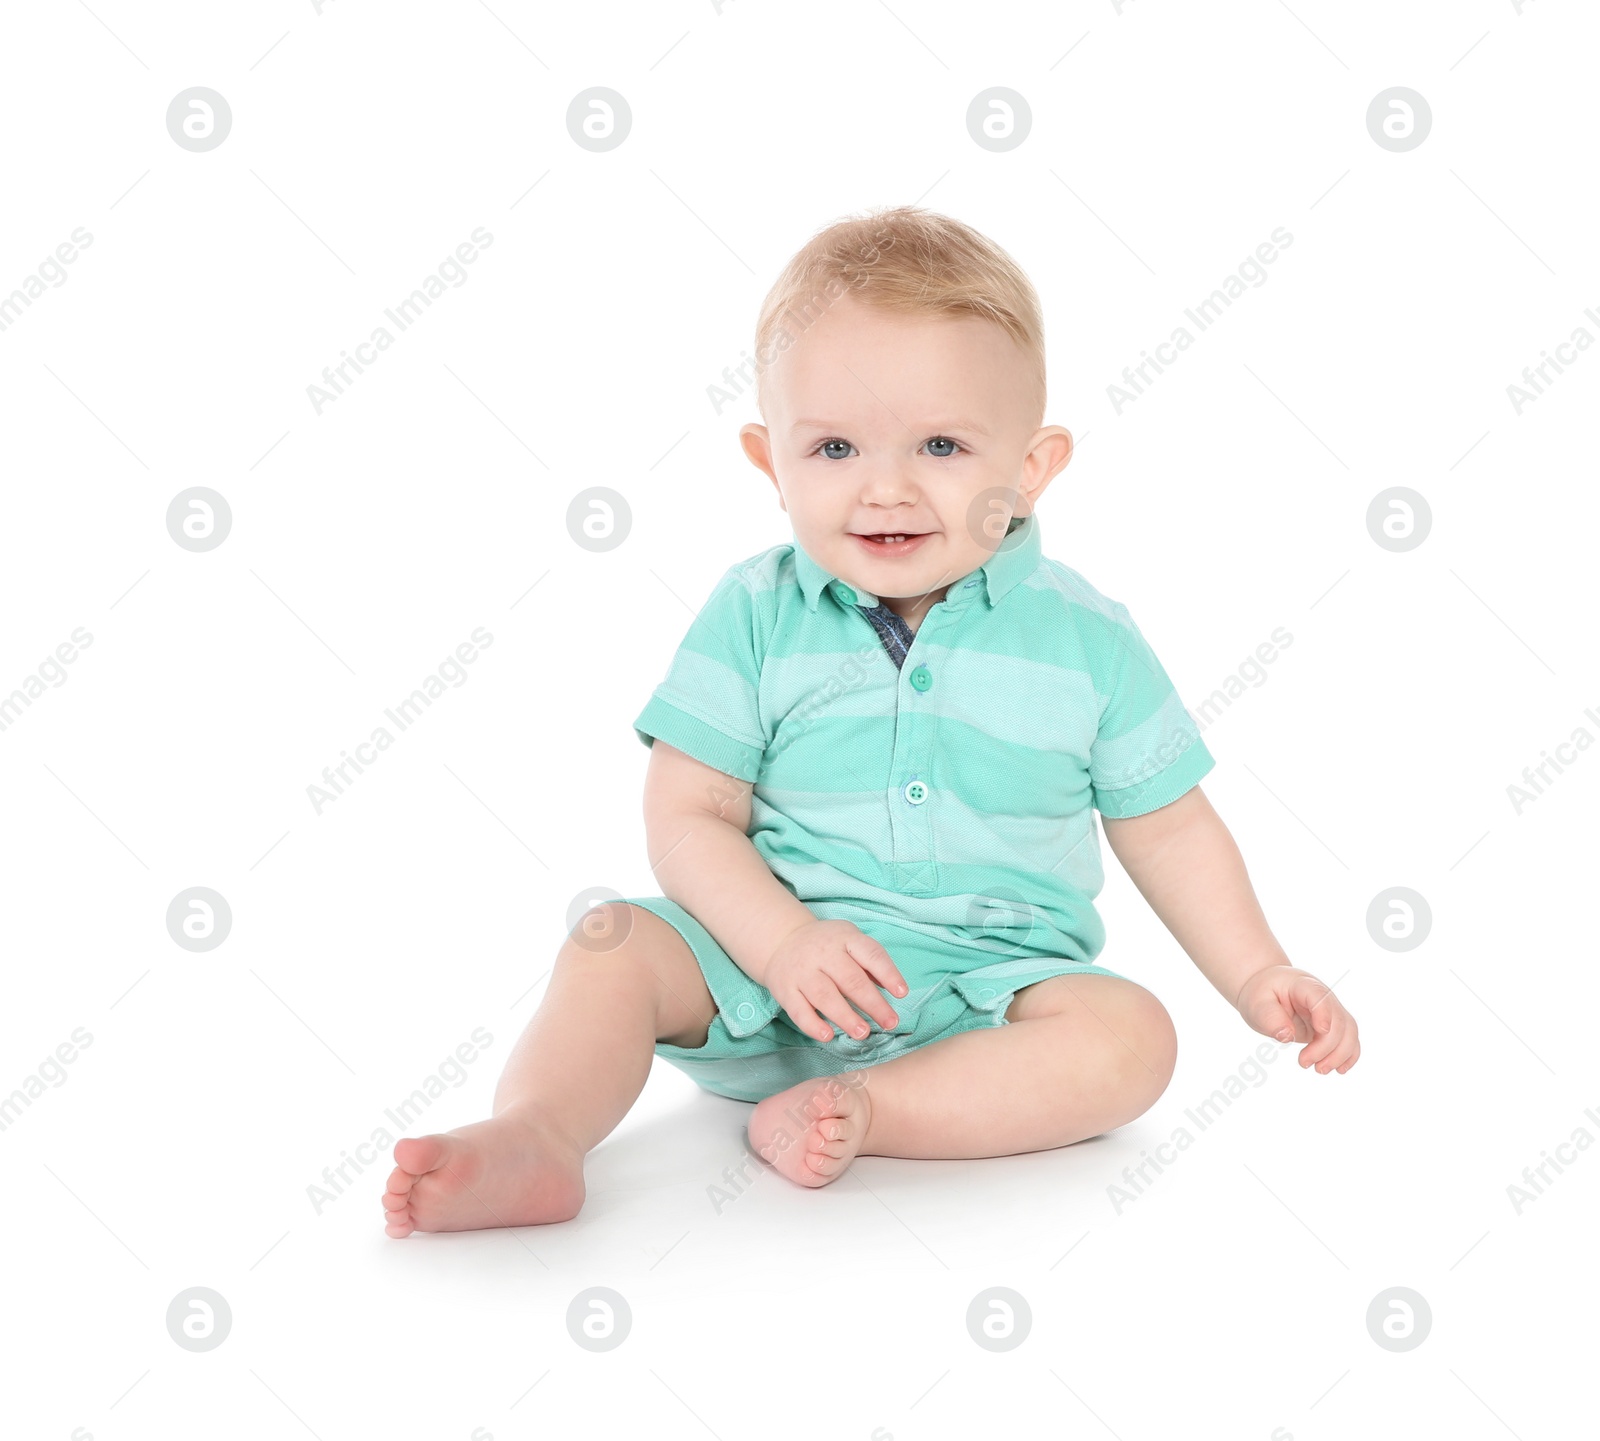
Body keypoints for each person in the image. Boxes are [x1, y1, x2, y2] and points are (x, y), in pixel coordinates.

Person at [381, 205, 1359, 1237]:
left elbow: (1167, 827)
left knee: (1132, 1038)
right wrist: (782, 941)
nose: (883, 487)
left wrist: (1257, 971)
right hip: (758, 974)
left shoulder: (1088, 641)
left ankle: (871, 1109)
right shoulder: (755, 613)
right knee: (608, 940)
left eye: (940, 443)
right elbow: (687, 817)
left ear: (1029, 467)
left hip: (985, 997)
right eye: (835, 446)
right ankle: (539, 1132)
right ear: (771, 462)